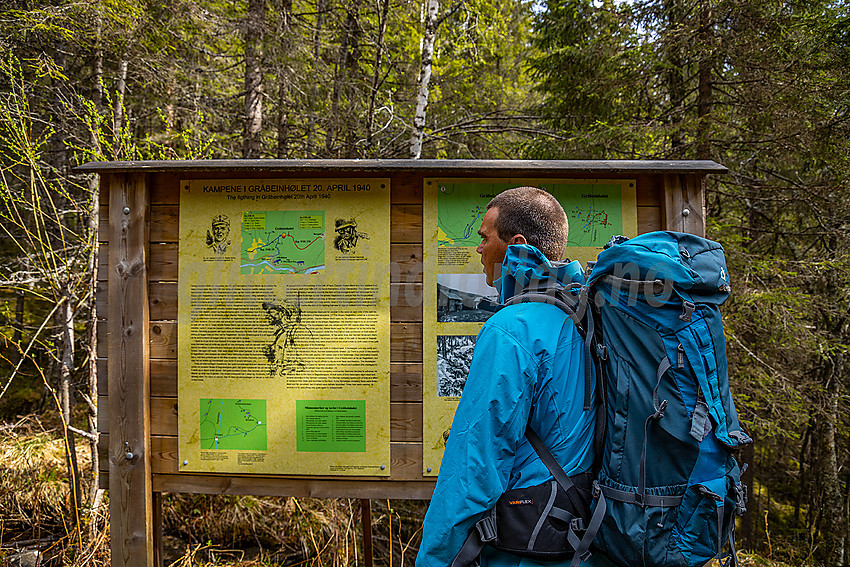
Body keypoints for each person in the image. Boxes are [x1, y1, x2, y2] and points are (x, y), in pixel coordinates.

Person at [416, 186, 597, 567]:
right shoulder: (582, 316)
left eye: (484, 237)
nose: (479, 249)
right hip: (583, 535)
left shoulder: (511, 328)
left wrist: (434, 560)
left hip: (527, 545)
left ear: (514, 243)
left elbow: (474, 465)